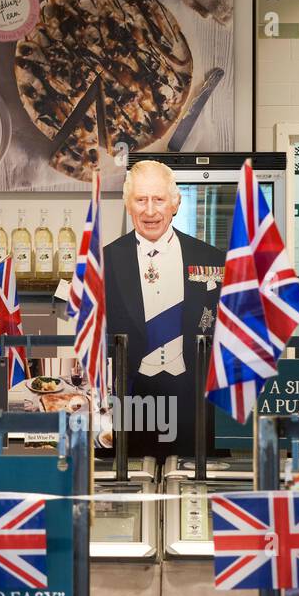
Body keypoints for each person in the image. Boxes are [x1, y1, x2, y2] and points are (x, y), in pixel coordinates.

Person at [103, 159, 226, 457]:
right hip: (132, 400)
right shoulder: (104, 262)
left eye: (158, 199)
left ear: (175, 203)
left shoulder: (212, 258)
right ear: (127, 205)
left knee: (191, 488)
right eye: (140, 200)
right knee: (132, 488)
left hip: (193, 401)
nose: (149, 210)